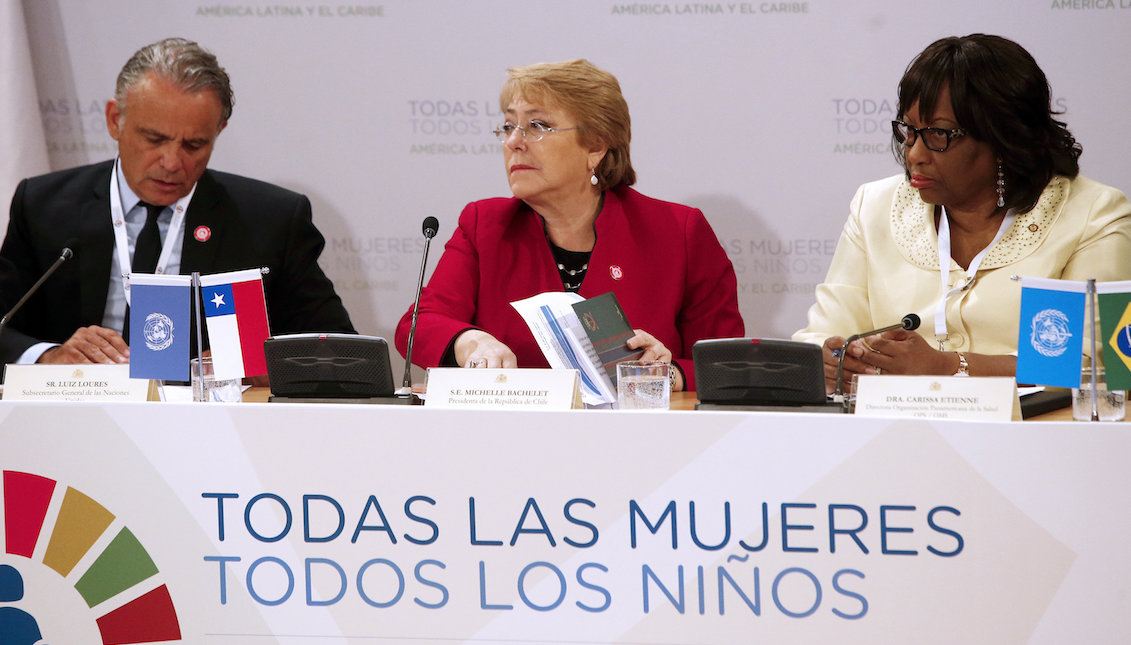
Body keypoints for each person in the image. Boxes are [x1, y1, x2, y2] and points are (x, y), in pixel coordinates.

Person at [793, 34, 1131, 393]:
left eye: (939, 134)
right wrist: (831, 360)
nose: (914, 155)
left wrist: (948, 367)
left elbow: (1100, 365)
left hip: (1036, 438)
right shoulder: (874, 206)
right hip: (894, 436)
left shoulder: (1092, 216)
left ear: (1002, 138)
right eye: (910, 131)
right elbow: (820, 335)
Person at [0, 38, 353, 369]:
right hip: (76, 419)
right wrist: (48, 357)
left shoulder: (270, 220)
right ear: (114, 120)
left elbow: (340, 350)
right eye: (154, 139)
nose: (172, 162)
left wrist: (263, 363)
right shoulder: (44, 206)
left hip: (215, 426)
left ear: (219, 131)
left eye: (194, 145)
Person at [394, 59, 743, 391]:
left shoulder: (678, 232)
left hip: (639, 442)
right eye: (508, 125)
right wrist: (469, 341)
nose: (513, 141)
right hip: (507, 440)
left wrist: (666, 373)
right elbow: (418, 324)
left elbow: (727, 363)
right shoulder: (485, 225)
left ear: (595, 146)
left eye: (538, 126)